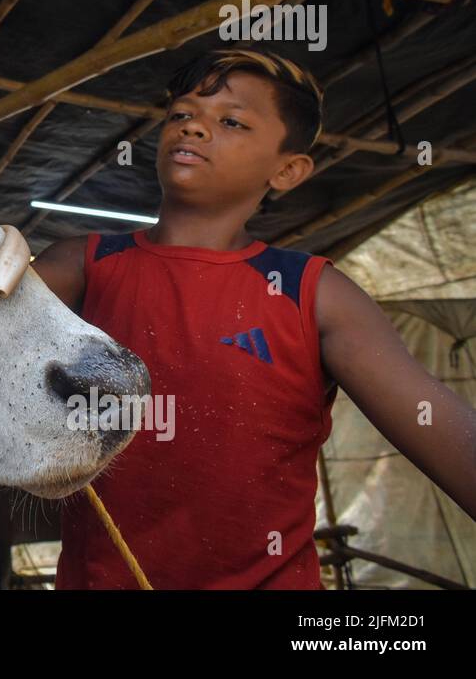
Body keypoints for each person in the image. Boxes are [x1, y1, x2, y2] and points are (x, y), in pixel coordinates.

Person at [32, 48, 476, 589]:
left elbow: (441, 428)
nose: (194, 126)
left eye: (231, 121)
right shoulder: (83, 265)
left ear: (288, 170)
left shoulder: (313, 293)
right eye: (181, 114)